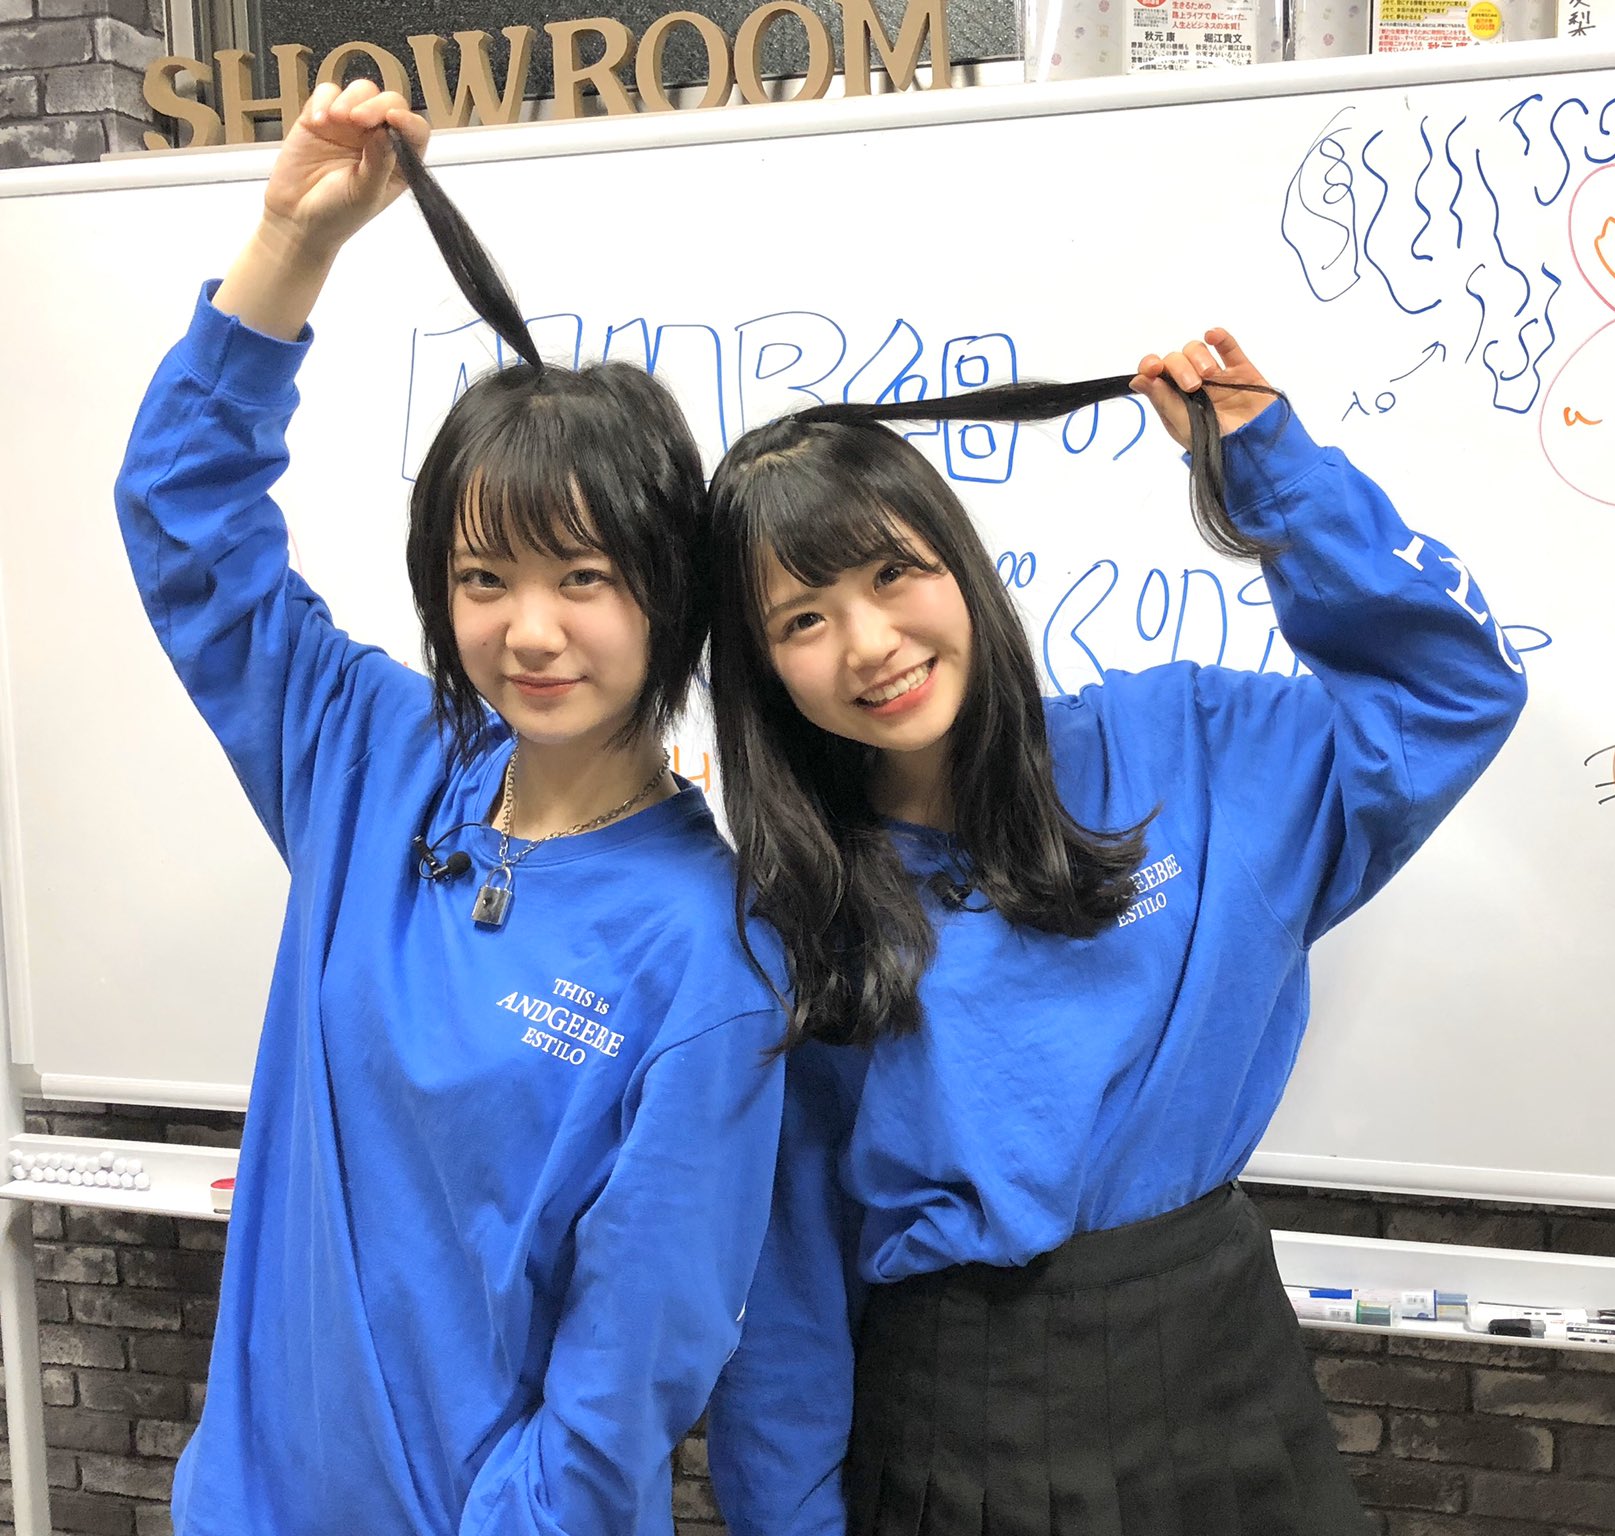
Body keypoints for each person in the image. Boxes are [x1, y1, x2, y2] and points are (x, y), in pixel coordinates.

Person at [701, 330, 1529, 1533]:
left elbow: (1450, 694)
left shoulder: (1188, 747)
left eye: (890, 573)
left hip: (1224, 1375)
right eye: (802, 620)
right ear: (765, 671)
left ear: (956, 561)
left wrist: (1270, 473)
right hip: (954, 1425)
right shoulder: (796, 917)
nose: (868, 643)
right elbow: (783, 1281)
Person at [115, 79, 782, 1536]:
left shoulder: (707, 956)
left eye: (582, 579)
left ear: (670, 594)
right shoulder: (375, 758)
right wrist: (292, 243)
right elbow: (183, 519)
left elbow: (622, 1389)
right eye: (483, 580)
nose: (528, 631)